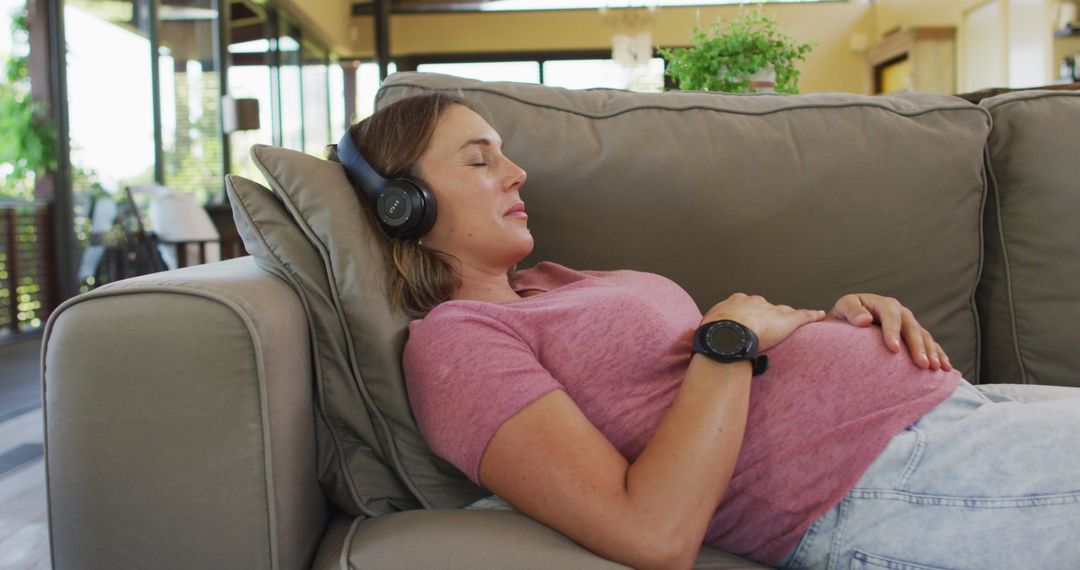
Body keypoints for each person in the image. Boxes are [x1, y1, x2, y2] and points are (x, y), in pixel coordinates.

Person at [329, 91, 1080, 570]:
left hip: (951, 416)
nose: (517, 172)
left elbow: (703, 376)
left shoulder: (559, 284)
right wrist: (728, 342)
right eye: (480, 159)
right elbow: (650, 534)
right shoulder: (457, 342)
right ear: (407, 206)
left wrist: (836, 321)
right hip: (878, 482)